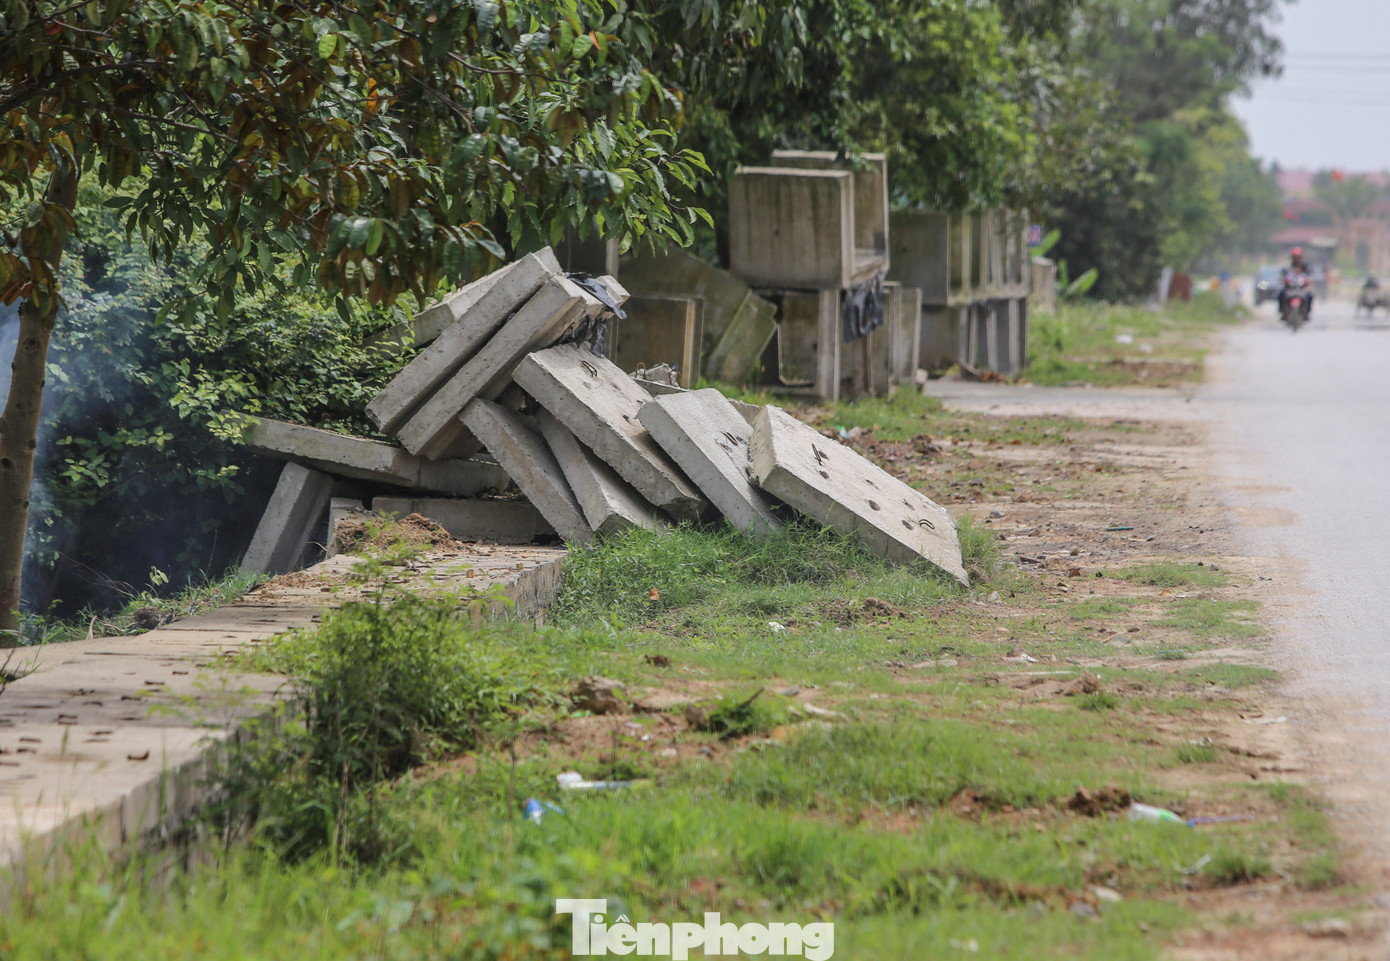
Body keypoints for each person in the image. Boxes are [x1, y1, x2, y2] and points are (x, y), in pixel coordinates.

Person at [1279, 247, 1314, 319]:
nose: (1296, 258)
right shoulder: (1288, 266)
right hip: (1290, 287)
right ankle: (1282, 311)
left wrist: (1309, 281)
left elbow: (1310, 275)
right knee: (1281, 294)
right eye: (1295, 257)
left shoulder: (1306, 266)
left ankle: (1307, 312)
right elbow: (1282, 275)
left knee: (1310, 296)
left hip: (1301, 288)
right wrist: (1283, 279)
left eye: (1298, 257)